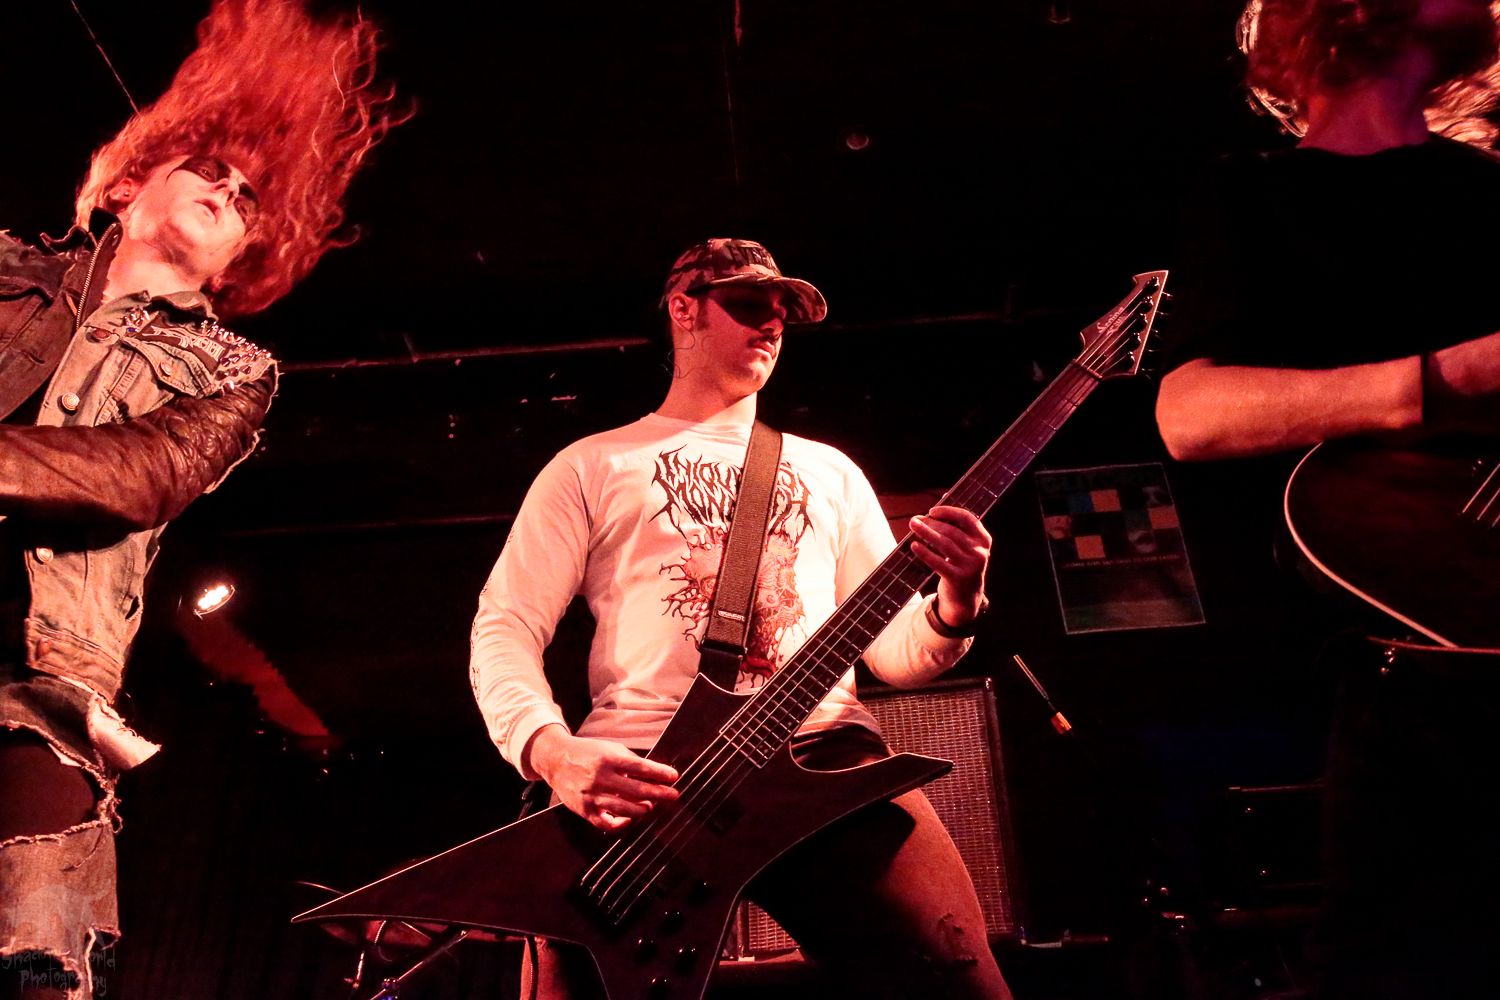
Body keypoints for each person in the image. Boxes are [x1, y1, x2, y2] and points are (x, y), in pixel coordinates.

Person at [471, 238, 1012, 998]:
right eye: (750, 303)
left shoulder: (831, 471)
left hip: (820, 751)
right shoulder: (591, 465)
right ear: (683, 308)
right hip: (643, 770)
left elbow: (895, 655)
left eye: (783, 310)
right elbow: (504, 624)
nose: (773, 323)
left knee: (960, 981)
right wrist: (552, 753)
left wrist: (958, 601)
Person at [0, 3, 401, 997]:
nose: (229, 188)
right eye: (208, 169)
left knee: (39, 962)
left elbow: (138, 475)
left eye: (246, 197)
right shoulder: (4, 269)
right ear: (124, 187)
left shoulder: (233, 369)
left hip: (39, 680)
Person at [1155, 1, 1500, 996]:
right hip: (1390, 656)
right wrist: (1444, 379)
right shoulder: (1252, 195)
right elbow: (1191, 415)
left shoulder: (1490, 189)